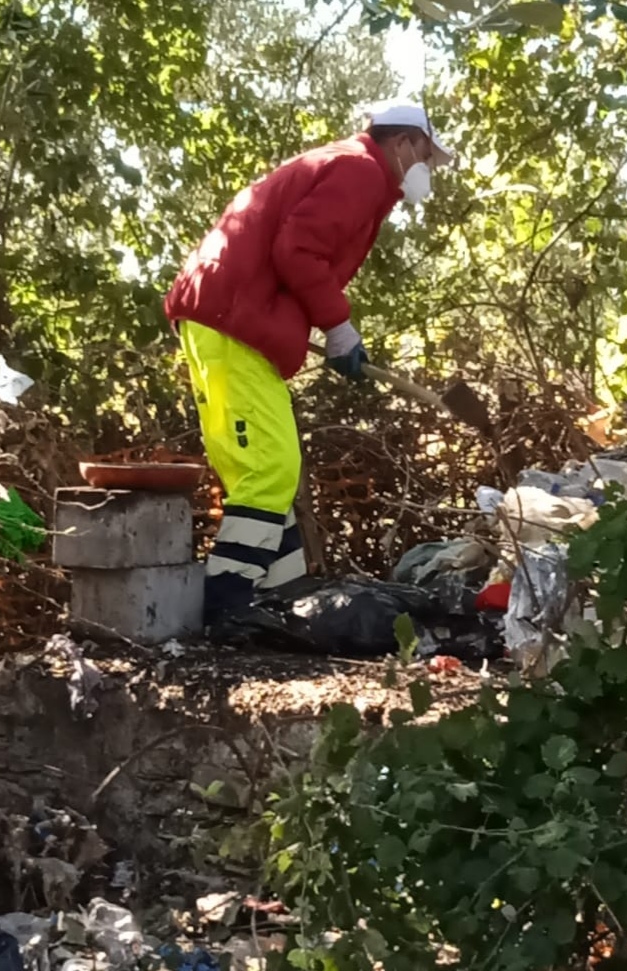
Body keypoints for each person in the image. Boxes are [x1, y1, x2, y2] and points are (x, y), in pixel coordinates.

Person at [165, 100, 454, 629]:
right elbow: (298, 250)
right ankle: (226, 607)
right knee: (271, 468)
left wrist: (327, 325)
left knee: (266, 469)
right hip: (235, 319)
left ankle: (282, 597)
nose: (427, 170)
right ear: (405, 143)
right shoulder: (363, 170)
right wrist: (339, 327)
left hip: (225, 314)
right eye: (427, 157)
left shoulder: (350, 167)